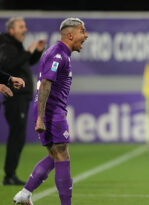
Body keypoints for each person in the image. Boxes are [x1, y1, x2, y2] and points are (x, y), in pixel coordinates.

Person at [13, 18, 88, 205]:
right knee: (62, 156)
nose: (85, 36)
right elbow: (46, 84)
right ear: (70, 35)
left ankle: (25, 192)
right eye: (82, 31)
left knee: (55, 156)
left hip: (48, 111)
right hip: (51, 112)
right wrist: (41, 118)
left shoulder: (60, 53)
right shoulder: (58, 55)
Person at [0, 17, 46, 185]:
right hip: (15, 96)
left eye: (25, 26)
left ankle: (10, 174)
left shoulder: (14, 45)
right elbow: (8, 65)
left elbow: (22, 64)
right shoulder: (5, 44)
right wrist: (28, 51)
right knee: (16, 137)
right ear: (11, 30)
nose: (24, 29)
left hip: (21, 96)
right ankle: (9, 175)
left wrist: (37, 52)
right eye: (21, 26)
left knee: (18, 137)